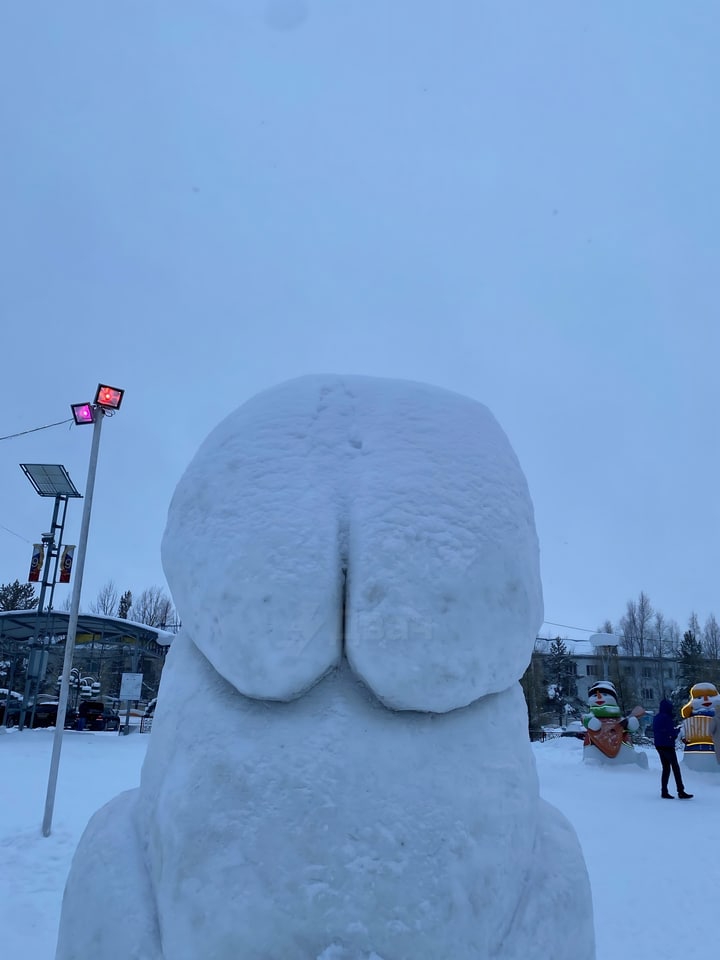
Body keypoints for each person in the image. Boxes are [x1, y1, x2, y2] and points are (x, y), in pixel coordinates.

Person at [652, 699, 693, 799]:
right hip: (667, 745)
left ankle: (664, 791)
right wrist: (678, 730)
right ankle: (681, 791)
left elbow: (659, 731)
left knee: (666, 768)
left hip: (659, 745)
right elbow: (671, 733)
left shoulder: (656, 717)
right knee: (675, 768)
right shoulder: (667, 718)